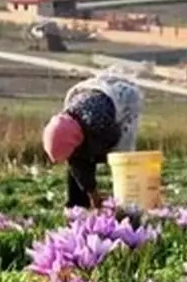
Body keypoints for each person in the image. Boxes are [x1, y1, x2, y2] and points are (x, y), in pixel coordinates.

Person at [42, 72, 143, 209]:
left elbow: (114, 139)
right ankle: (78, 205)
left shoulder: (98, 124)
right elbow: (77, 164)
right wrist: (92, 192)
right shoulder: (68, 129)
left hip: (121, 99)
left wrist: (99, 159)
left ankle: (126, 202)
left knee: (121, 159)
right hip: (87, 96)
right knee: (78, 162)